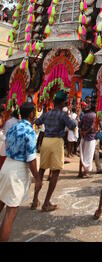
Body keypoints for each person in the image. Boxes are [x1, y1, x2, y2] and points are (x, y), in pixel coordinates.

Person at [0, 102, 42, 242]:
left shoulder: (13, 126)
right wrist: (38, 178)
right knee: (10, 212)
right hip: (17, 171)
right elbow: (31, 158)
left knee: (1, 202)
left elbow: (5, 145)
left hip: (6, 165)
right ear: (31, 114)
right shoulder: (29, 130)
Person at [31, 90, 76, 212]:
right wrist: (71, 114)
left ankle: (35, 200)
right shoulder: (63, 115)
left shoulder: (47, 113)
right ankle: (46, 203)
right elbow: (72, 126)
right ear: (62, 103)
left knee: (41, 170)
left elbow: (37, 122)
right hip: (56, 142)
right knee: (55, 172)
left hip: (46, 141)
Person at [78, 103, 96, 178]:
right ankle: (86, 172)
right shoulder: (95, 116)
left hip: (84, 137)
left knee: (82, 155)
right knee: (88, 156)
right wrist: (86, 132)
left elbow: (80, 125)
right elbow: (92, 127)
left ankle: (80, 171)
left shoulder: (85, 115)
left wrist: (82, 132)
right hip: (91, 137)